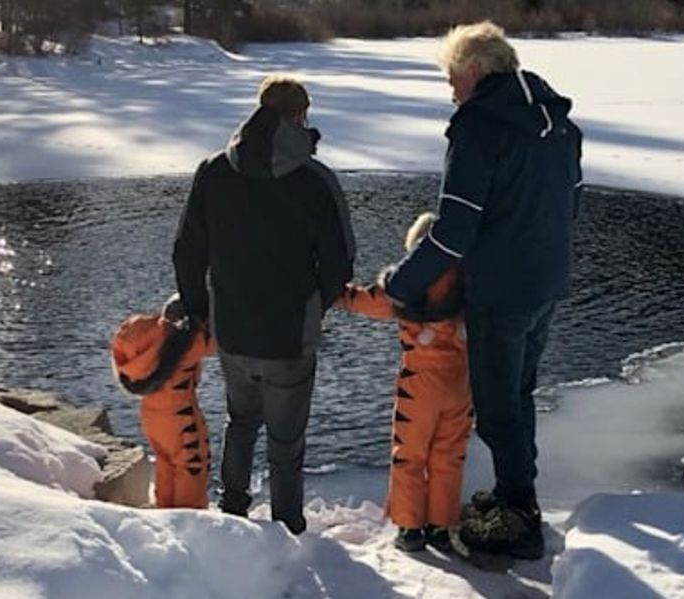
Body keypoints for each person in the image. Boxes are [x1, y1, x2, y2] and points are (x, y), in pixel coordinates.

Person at [383, 21, 584, 559]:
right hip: (548, 281)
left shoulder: (479, 128)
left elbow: (453, 231)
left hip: (502, 289)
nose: (449, 88)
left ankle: (520, 515)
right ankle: (516, 494)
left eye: (451, 75)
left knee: (497, 408)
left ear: (475, 71)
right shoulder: (559, 124)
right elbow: (572, 205)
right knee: (519, 393)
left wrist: (400, 284)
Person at [172, 75, 355, 534]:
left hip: (232, 328)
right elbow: (341, 261)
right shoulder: (315, 180)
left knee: (241, 422)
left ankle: (232, 512)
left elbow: (186, 250)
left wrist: (199, 310)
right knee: (286, 442)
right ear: (300, 116)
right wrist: (317, 304)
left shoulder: (214, 170)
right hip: (290, 333)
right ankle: (288, 528)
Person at [337, 212, 472, 553]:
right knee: (449, 455)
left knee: (409, 455)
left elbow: (365, 302)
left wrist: (333, 291)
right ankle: (441, 526)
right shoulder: (469, 280)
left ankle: (410, 528)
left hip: (419, 384)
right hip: (460, 384)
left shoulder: (405, 285)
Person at [111, 294, 213, 509]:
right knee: (191, 465)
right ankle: (190, 520)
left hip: (152, 413)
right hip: (180, 413)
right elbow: (224, 341)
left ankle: (165, 512)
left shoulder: (140, 337)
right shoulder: (187, 343)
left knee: (166, 462)